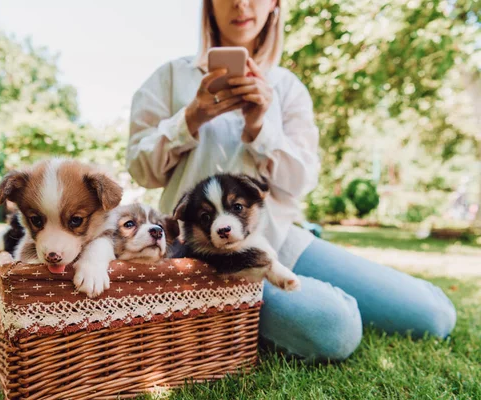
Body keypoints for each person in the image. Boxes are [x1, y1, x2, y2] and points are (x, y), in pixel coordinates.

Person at [126, 0, 456, 361]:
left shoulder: (286, 86)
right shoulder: (170, 77)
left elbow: (302, 181)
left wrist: (259, 128)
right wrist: (190, 118)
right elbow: (142, 169)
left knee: (434, 315)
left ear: (275, 5)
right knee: (333, 327)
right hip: (207, 256)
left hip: (285, 239)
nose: (241, 4)